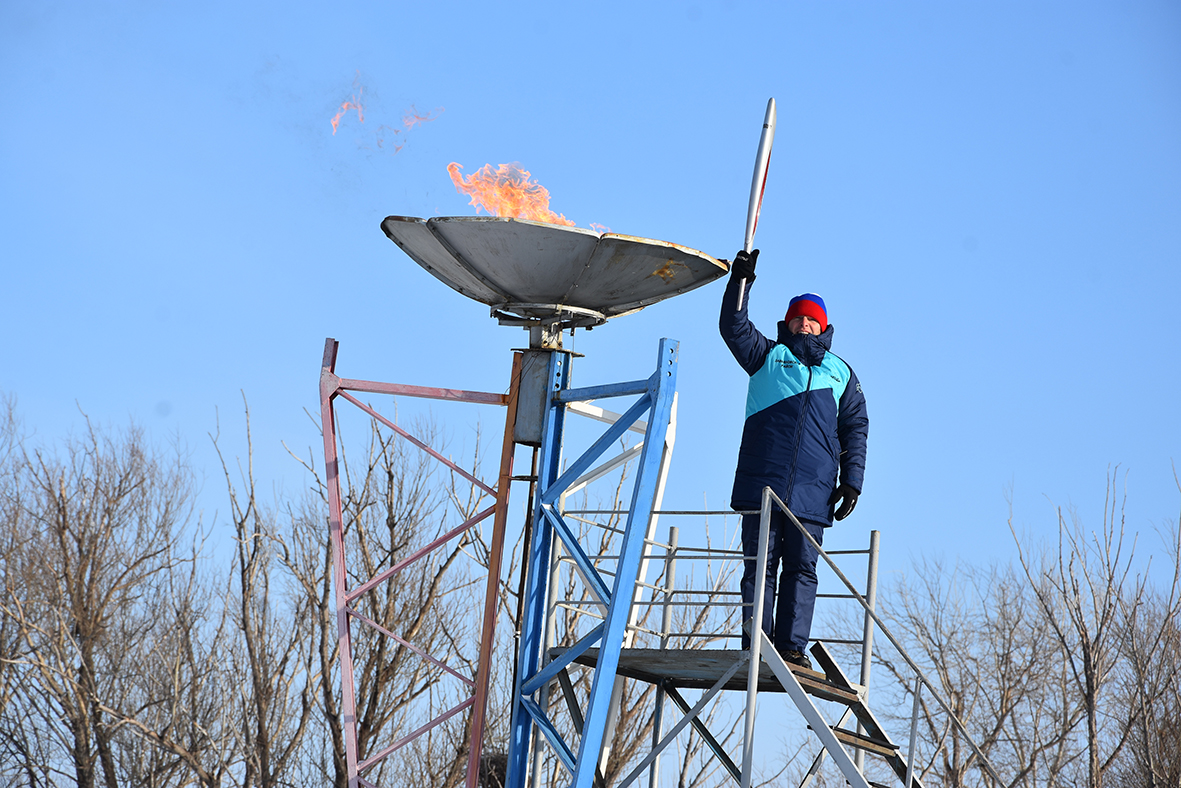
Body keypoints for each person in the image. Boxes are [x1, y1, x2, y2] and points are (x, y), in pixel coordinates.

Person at [719, 248, 868, 670]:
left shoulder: (841, 372)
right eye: (798, 318)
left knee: (803, 570)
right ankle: (757, 642)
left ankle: (791, 649)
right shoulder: (765, 356)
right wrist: (740, 281)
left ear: (823, 326)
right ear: (787, 323)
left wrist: (852, 481)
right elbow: (733, 326)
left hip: (814, 492)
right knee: (760, 566)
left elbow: (856, 428)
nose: (805, 323)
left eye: (812, 319)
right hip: (762, 484)